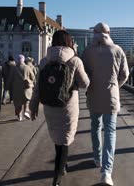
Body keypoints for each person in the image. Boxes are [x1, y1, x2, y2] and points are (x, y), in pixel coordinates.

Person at [30, 30, 90, 186]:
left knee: (58, 137)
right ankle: (57, 178)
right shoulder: (75, 61)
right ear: (69, 42)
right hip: (67, 105)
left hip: (49, 105)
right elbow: (84, 84)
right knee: (65, 139)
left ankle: (63, 165)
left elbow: (38, 86)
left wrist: (33, 105)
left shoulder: (44, 61)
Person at [83, 22, 129, 186]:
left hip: (94, 94)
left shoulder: (88, 51)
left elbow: (84, 75)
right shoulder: (117, 50)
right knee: (110, 130)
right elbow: (125, 74)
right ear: (109, 33)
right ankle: (106, 173)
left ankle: (97, 157)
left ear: (94, 33)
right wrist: (115, 85)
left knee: (95, 126)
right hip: (111, 94)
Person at [7, 54, 35, 121]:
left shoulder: (13, 68)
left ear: (17, 60)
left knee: (18, 103)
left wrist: (7, 87)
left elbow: (10, 78)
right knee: (26, 101)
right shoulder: (27, 67)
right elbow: (33, 77)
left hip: (17, 89)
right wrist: (29, 80)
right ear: (23, 60)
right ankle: (26, 112)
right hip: (26, 88)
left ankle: (19, 116)